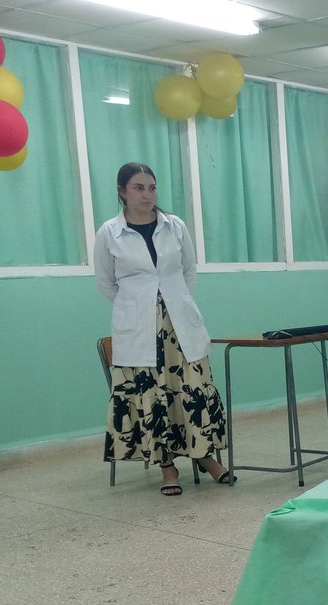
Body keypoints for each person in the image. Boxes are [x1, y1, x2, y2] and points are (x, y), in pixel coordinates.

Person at [94, 162, 233, 496]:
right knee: (151, 398)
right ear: (122, 192)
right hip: (138, 328)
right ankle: (167, 467)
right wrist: (139, 305)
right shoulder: (108, 233)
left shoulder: (174, 226)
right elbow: (105, 283)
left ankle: (205, 457)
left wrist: (172, 303)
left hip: (179, 324)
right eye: (139, 188)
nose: (147, 194)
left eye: (152, 187)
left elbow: (188, 272)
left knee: (193, 391)